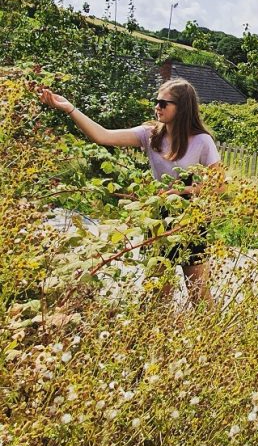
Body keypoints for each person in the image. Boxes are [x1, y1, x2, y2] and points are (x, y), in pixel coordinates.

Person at [40, 78, 221, 305]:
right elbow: (102, 136)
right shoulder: (150, 134)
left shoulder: (202, 141)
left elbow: (220, 187)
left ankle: (215, 339)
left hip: (190, 218)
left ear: (182, 107)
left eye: (164, 103)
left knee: (199, 294)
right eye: (156, 101)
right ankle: (156, 338)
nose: (157, 107)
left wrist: (183, 190)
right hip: (158, 217)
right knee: (157, 294)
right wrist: (70, 108)